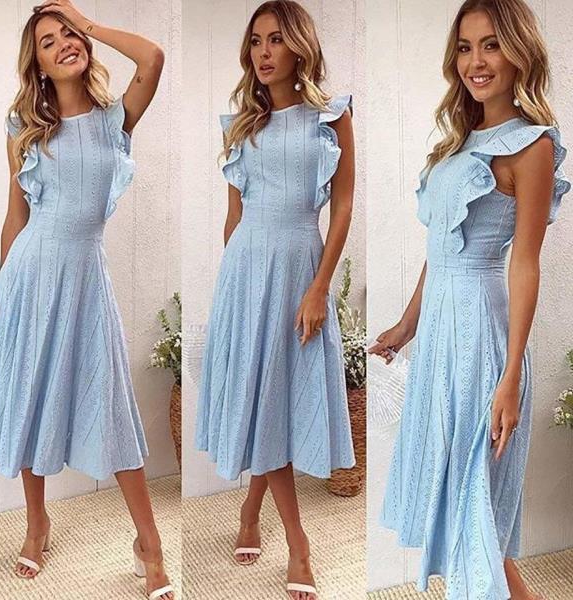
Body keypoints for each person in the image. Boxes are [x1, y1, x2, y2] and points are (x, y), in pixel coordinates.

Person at [0, 2, 174, 598]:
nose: (64, 42)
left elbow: (152, 58)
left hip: (87, 279)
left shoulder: (115, 120)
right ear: (36, 64)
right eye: (47, 41)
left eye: (69, 34)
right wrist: (0, 294)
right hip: (30, 278)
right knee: (30, 395)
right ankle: (36, 523)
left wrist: (86, 23)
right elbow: (15, 218)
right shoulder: (24, 128)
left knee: (112, 405)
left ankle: (150, 543)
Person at [369, 1, 569, 598]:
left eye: (490, 45)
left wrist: (510, 377)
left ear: (519, 52)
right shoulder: (457, 142)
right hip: (438, 338)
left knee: (475, 505)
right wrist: (406, 326)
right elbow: (441, 249)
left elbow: (525, 263)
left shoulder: (531, 145)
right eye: (464, 47)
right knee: (462, 502)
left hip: (482, 337)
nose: (475, 61)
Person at [194, 1, 356, 598]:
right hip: (246, 274)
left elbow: (342, 207)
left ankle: (250, 512)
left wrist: (320, 288)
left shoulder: (331, 117)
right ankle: (298, 543)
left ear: (299, 47)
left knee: (280, 399)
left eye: (276, 40)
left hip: (299, 268)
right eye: (256, 41)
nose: (264, 52)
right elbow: (232, 218)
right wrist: (232, 292)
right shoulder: (242, 124)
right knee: (263, 399)